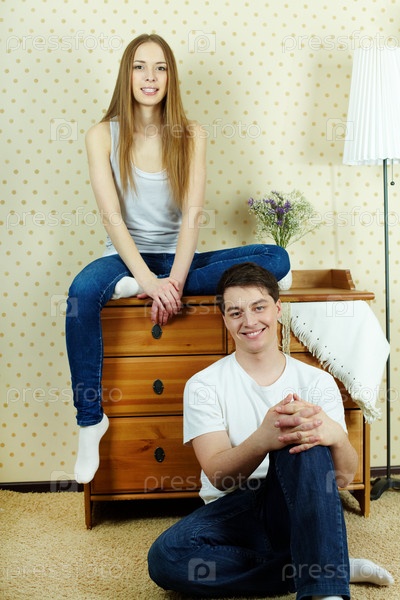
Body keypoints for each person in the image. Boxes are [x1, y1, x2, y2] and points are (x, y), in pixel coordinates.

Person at [65, 34, 290, 485]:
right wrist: (147, 280)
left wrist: (172, 283)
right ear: (127, 75)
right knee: (81, 293)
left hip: (178, 259)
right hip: (126, 257)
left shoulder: (192, 135)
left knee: (275, 257)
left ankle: (141, 287)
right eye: (140, 67)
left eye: (160, 67)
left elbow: (192, 217)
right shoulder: (101, 135)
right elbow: (112, 218)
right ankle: (90, 421)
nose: (150, 77)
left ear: (171, 77)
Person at [148, 262, 394, 599]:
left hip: (298, 504)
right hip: (234, 509)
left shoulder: (317, 382)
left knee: (302, 436)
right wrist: (264, 438)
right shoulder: (203, 385)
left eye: (259, 307)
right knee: (167, 558)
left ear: (278, 309)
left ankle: (325, 589)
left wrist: (335, 436)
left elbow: (342, 478)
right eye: (236, 312)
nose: (249, 321)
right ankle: (326, 564)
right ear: (224, 318)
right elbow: (219, 477)